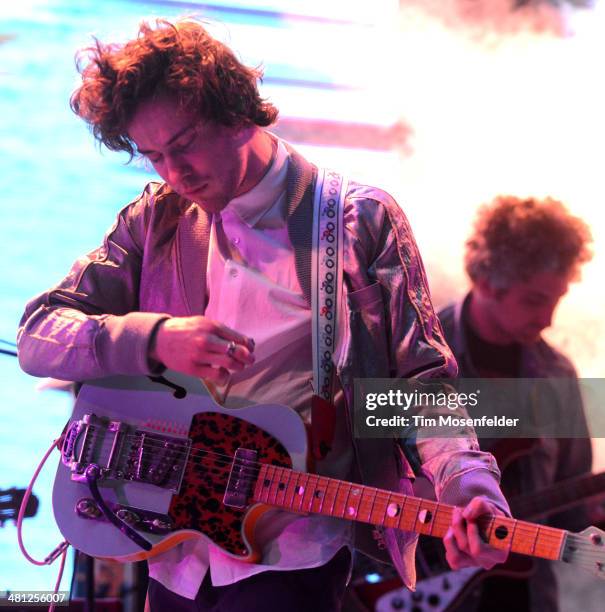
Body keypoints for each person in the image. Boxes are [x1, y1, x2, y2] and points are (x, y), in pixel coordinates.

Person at [17, 18, 510, 611]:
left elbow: (421, 385)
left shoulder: (356, 220)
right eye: (153, 157)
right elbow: (39, 335)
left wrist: (467, 482)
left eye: (184, 146)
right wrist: (153, 339)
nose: (175, 175)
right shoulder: (155, 219)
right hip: (172, 547)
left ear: (237, 111)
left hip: (294, 547)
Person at [438, 195, 593, 611]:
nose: (548, 319)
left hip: (526, 597)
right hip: (421, 587)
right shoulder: (418, 357)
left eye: (556, 299)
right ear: (487, 281)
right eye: (534, 299)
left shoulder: (557, 375)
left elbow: (574, 514)